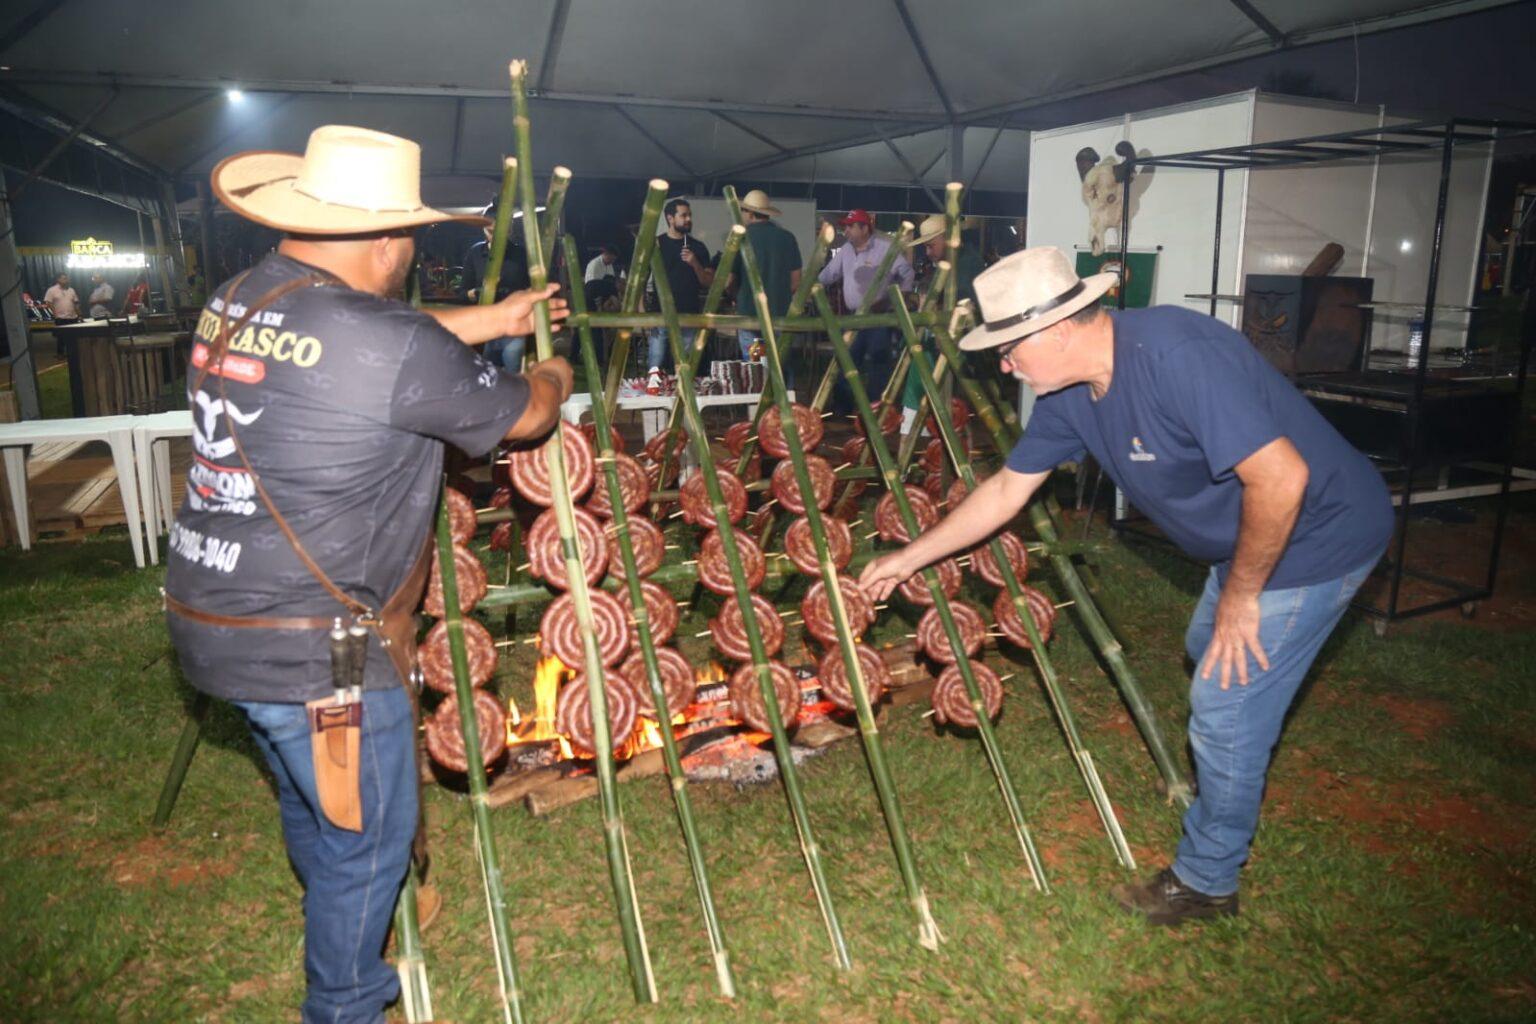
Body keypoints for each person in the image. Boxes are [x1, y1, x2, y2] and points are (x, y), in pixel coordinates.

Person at [163, 124, 572, 1022]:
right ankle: (347, 1000)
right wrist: (549, 368)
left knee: (318, 803)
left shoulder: (240, 297)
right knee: (370, 835)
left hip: (212, 612)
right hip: (321, 655)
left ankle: (342, 912)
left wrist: (491, 320)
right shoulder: (382, 337)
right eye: (409, 241)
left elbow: (372, 348)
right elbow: (524, 418)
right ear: (387, 242)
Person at [862, 247, 1392, 926]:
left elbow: (1283, 478)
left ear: (1058, 331)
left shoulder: (1178, 356)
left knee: (1225, 701)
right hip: (1252, 535)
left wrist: (1241, 597)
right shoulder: (1069, 397)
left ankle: (1207, 880)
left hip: (1318, 532)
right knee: (1207, 650)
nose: (1005, 365)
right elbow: (1005, 491)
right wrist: (910, 558)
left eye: (1009, 348)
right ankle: (1226, 771)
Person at [818, 209, 913, 413]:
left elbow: (906, 273)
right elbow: (828, 275)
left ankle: (876, 410)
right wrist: (811, 285)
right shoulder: (846, 250)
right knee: (847, 360)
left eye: (850, 226)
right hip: (854, 317)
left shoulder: (885, 248)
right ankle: (843, 408)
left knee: (878, 363)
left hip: (879, 316)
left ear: (864, 228)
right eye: (845, 227)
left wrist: (895, 299)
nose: (846, 231)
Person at [899, 214, 985, 433]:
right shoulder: (951, 263)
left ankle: (928, 427)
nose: (928, 253)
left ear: (947, 238)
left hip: (959, 340)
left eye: (931, 246)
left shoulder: (968, 264)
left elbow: (966, 306)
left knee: (941, 388)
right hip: (943, 338)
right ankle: (925, 425)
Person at [727, 190, 802, 369]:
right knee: (780, 367)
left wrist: (738, 297)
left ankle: (760, 388)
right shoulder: (787, 238)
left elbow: (728, 281)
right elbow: (796, 281)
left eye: (744, 211)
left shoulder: (741, 239)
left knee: (756, 370)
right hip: (780, 315)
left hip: (749, 315)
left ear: (750, 214)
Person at [645, 198, 711, 392]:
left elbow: (708, 282)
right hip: (660, 313)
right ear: (670, 218)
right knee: (655, 364)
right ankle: (654, 401)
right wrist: (641, 309)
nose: (688, 219)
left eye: (689, 215)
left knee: (685, 366)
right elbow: (641, 278)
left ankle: (682, 400)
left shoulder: (698, 247)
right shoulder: (656, 245)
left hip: (688, 314)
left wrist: (694, 263)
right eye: (683, 215)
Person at [460, 212, 532, 372]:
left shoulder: (521, 254)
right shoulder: (475, 253)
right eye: (490, 231)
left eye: (501, 231)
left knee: (512, 362)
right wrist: (477, 293)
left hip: (514, 322)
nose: (495, 237)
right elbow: (463, 292)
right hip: (486, 323)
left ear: (509, 230)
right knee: (488, 372)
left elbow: (532, 288)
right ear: (483, 229)